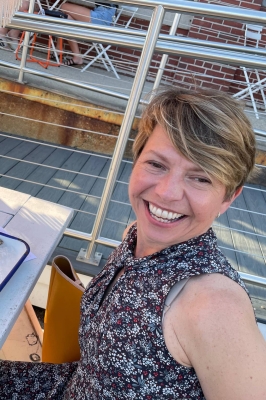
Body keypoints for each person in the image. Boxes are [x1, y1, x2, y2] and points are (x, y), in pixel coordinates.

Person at [1, 86, 266, 399]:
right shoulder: (135, 236)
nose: (167, 193)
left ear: (228, 198)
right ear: (137, 159)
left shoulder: (214, 305)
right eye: (156, 164)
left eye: (201, 178)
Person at [57, 2, 118, 66]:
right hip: (104, 15)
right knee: (67, 17)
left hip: (102, 16)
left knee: (64, 6)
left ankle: (60, 50)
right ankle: (74, 56)